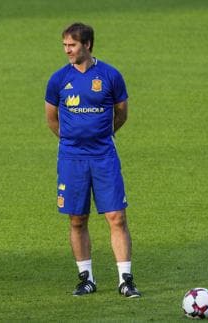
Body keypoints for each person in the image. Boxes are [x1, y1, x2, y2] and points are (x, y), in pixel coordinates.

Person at [44, 22, 141, 297]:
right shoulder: (58, 79)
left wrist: (102, 135)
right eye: (64, 45)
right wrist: (71, 140)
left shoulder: (110, 76)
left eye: (71, 45)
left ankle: (126, 280)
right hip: (72, 159)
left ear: (87, 45)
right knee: (77, 219)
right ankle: (86, 278)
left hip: (104, 156)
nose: (67, 51)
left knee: (117, 217)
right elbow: (52, 119)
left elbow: (121, 113)